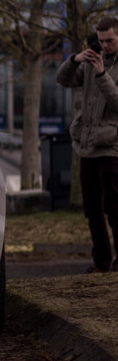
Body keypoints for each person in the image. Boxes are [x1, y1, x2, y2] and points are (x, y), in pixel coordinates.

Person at [56, 15, 118, 273]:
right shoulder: (91, 60)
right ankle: (101, 260)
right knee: (91, 208)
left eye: (110, 40)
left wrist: (102, 73)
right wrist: (74, 60)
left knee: (114, 208)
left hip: (112, 147)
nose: (105, 45)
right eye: (101, 40)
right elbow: (62, 79)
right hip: (87, 145)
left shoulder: (104, 67)